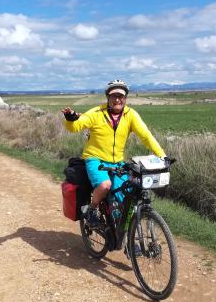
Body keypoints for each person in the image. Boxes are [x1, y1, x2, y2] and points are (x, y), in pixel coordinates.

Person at [61, 79, 167, 226]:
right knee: (105, 185)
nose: (117, 99)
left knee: (125, 193)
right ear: (108, 97)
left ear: (125, 98)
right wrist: (70, 119)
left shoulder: (131, 115)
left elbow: (146, 136)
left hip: (117, 162)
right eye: (113, 96)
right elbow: (75, 126)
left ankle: (124, 232)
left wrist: (162, 155)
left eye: (121, 96)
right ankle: (92, 209)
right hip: (95, 159)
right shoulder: (96, 113)